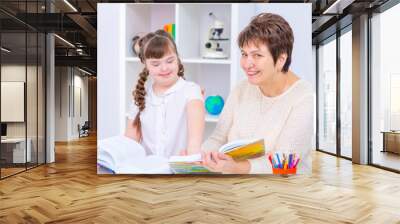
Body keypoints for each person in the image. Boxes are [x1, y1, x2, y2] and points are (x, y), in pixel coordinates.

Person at [200, 13, 314, 174]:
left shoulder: (303, 96)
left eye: (257, 55)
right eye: (244, 54)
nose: (247, 64)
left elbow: (286, 162)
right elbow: (218, 138)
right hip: (237, 185)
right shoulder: (241, 88)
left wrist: (239, 168)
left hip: (283, 190)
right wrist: (201, 156)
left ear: (281, 59)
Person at [125, 30, 205, 158]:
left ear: (177, 59)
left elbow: (194, 146)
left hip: (180, 171)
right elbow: (129, 145)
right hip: (148, 170)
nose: (164, 68)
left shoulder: (191, 92)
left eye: (169, 61)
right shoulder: (141, 98)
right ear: (145, 64)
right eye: (156, 64)